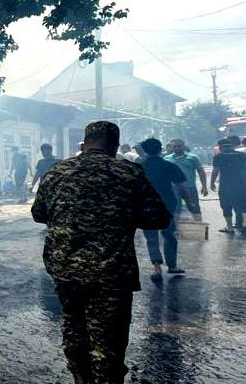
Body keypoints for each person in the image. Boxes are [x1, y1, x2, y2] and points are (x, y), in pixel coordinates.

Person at [31, 121, 171, 384]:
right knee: (109, 339)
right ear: (115, 145)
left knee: (74, 326)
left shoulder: (57, 172)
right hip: (111, 271)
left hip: (65, 269)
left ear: (85, 143)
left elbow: (39, 214)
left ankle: (81, 379)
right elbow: (158, 218)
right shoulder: (127, 173)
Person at [140, 138, 200, 279]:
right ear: (161, 149)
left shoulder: (138, 166)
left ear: (144, 150)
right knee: (169, 235)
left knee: (151, 236)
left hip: (146, 205)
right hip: (167, 204)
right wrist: (189, 203)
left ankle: (156, 267)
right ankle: (172, 265)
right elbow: (181, 187)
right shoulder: (169, 165)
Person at [211, 139, 246, 234]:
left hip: (226, 185)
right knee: (244, 204)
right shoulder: (242, 155)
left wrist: (212, 182)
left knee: (226, 205)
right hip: (241, 184)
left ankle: (230, 227)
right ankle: (245, 224)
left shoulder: (218, 157)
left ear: (220, 147)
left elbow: (215, 170)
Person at [164, 139, 209, 217]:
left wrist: (204, 186)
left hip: (189, 187)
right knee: (175, 209)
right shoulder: (167, 159)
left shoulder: (192, 158)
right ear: (172, 147)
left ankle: (199, 226)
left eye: (179, 146)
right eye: (175, 146)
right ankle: (176, 228)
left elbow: (201, 172)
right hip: (173, 188)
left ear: (184, 146)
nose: (177, 148)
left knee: (194, 208)